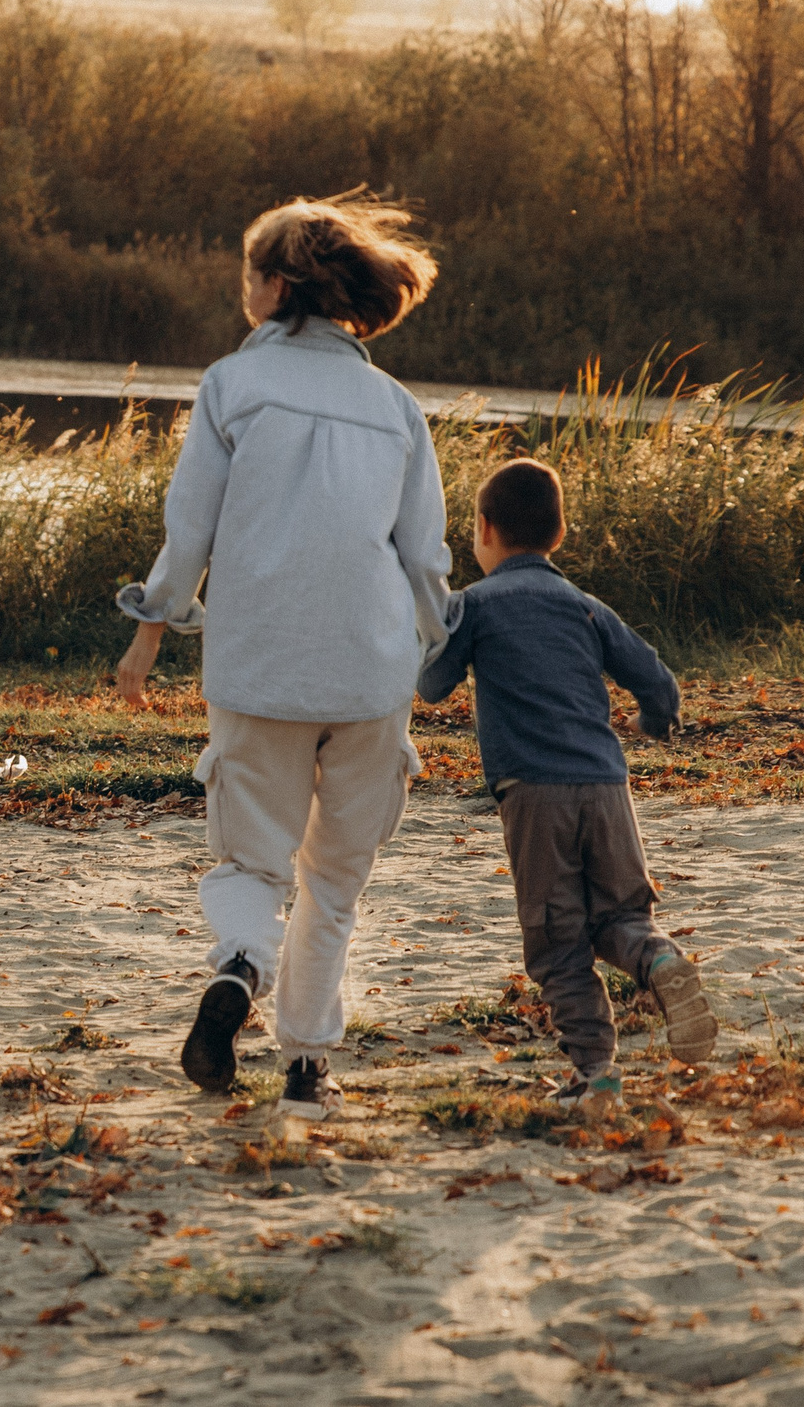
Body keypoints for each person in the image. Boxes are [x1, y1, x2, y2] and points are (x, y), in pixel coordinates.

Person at [117, 194, 451, 1122]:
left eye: (245, 274)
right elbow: (425, 559)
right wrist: (440, 652)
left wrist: (150, 632)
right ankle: (306, 1070)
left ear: (273, 286)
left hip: (260, 668)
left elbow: (191, 532)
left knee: (251, 865)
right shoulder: (396, 407)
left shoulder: (232, 385)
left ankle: (239, 968)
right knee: (334, 881)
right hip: (371, 674)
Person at [417, 458, 718, 1117]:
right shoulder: (586, 606)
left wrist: (431, 626)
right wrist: (653, 722)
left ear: (485, 530)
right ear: (559, 532)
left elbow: (432, 684)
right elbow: (658, 681)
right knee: (618, 918)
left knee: (558, 939)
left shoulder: (474, 604)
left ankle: (596, 1075)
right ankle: (657, 956)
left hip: (534, 792)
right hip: (608, 787)